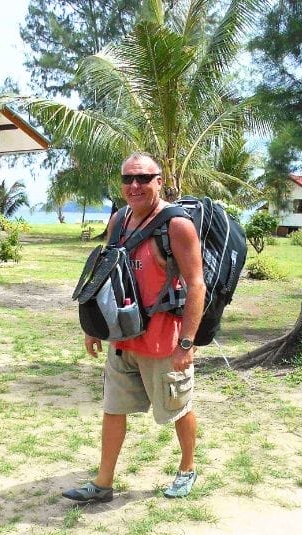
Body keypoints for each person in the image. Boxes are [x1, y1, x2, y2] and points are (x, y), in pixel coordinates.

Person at [62, 152, 206, 503]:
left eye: (143, 178)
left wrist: (186, 344)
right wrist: (94, 325)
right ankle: (103, 483)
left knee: (178, 409)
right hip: (123, 339)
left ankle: (187, 468)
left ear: (159, 181)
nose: (135, 185)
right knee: (113, 409)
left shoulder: (177, 225)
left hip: (162, 342)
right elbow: (105, 276)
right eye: (128, 179)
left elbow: (197, 285)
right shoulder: (119, 220)